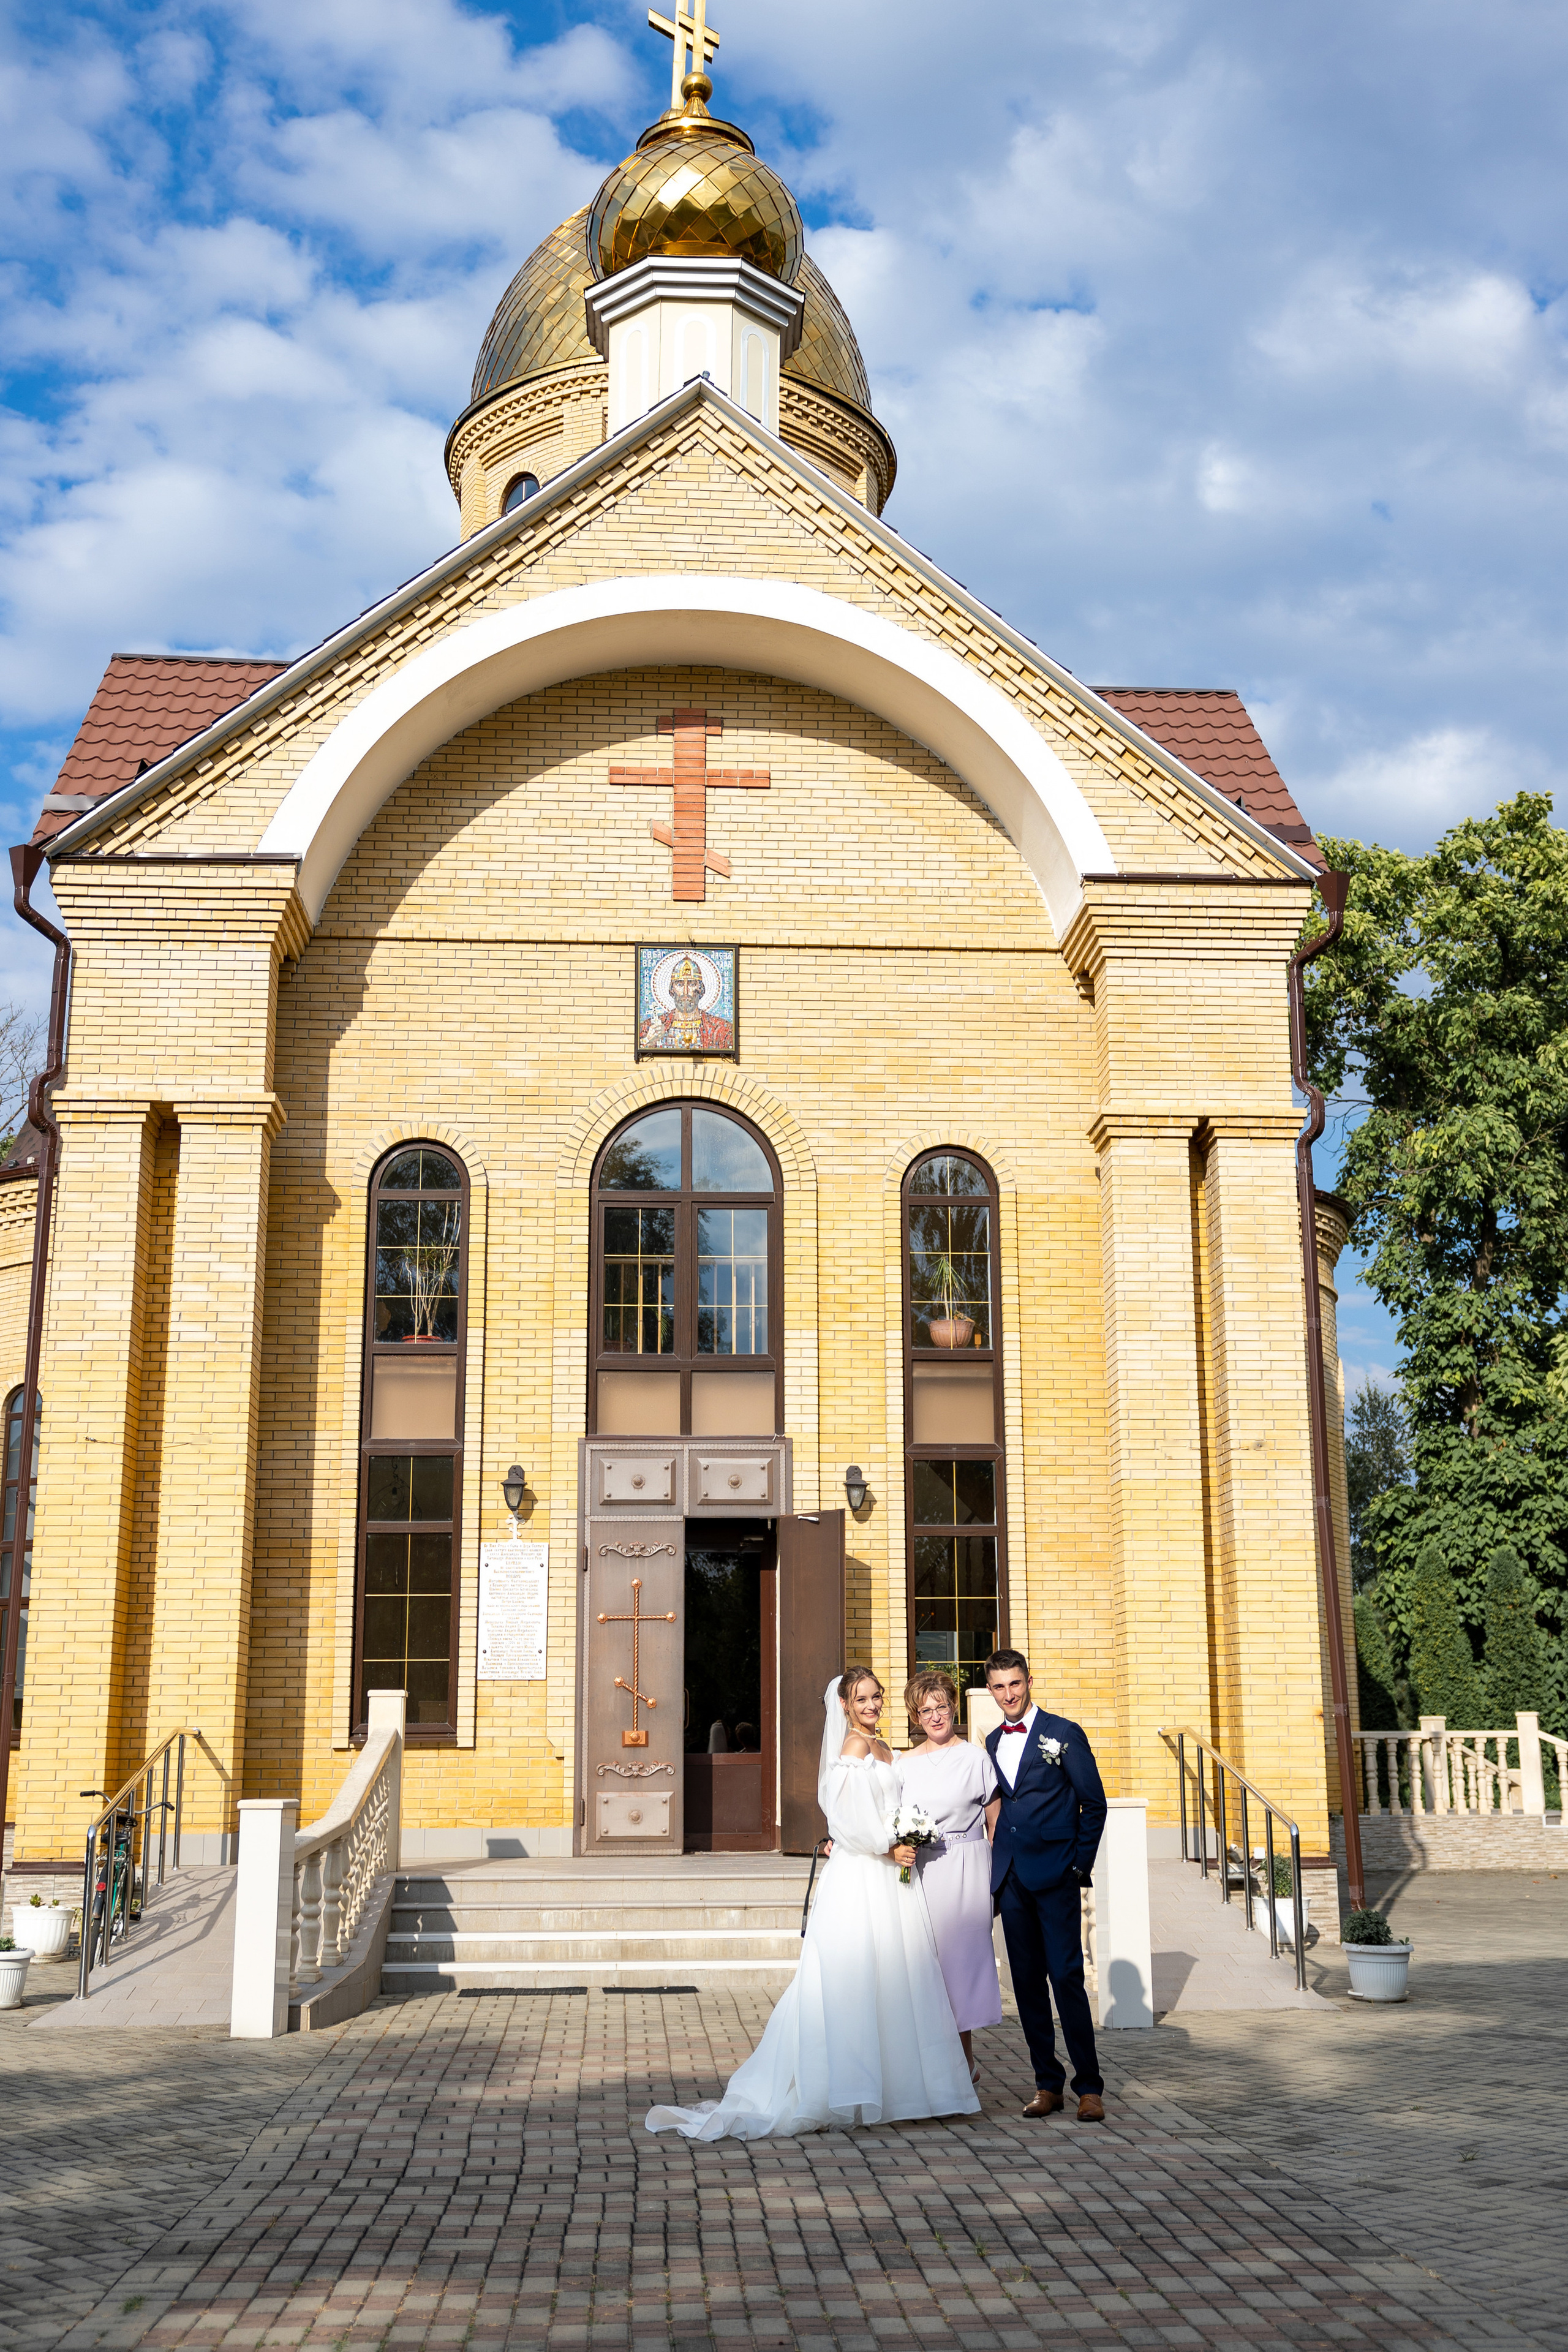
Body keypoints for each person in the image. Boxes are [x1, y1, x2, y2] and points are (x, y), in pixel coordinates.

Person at [646, 1666, 978, 2139]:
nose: (871, 1706)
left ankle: (901, 2088)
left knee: (896, 1977)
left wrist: (906, 1835)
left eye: (876, 1698)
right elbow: (843, 1819)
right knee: (856, 1979)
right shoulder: (853, 1749)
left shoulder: (882, 1747)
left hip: (892, 1878)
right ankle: (848, 2087)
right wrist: (888, 1846)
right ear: (844, 1706)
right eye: (861, 1700)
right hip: (865, 1874)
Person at [982, 1647, 1108, 2123]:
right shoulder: (993, 1740)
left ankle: (1090, 2087)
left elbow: (1092, 1804)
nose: (1008, 1694)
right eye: (999, 1686)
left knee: (1067, 1980)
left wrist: (1078, 1866)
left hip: (1056, 1874)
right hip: (1011, 1877)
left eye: (1015, 1684)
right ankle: (1046, 2084)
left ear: (1029, 1681)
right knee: (1028, 1984)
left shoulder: (1063, 1733)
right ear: (991, 1689)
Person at [898, 1669, 1002, 2080]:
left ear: (954, 1707)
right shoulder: (904, 1764)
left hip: (967, 1865)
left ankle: (965, 2062)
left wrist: (993, 1879)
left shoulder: (975, 1758)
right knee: (927, 1967)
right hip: (923, 1868)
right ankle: (929, 2064)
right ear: (915, 1717)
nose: (936, 1716)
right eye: (926, 1710)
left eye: (942, 1706)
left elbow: (995, 1822)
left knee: (960, 1966)